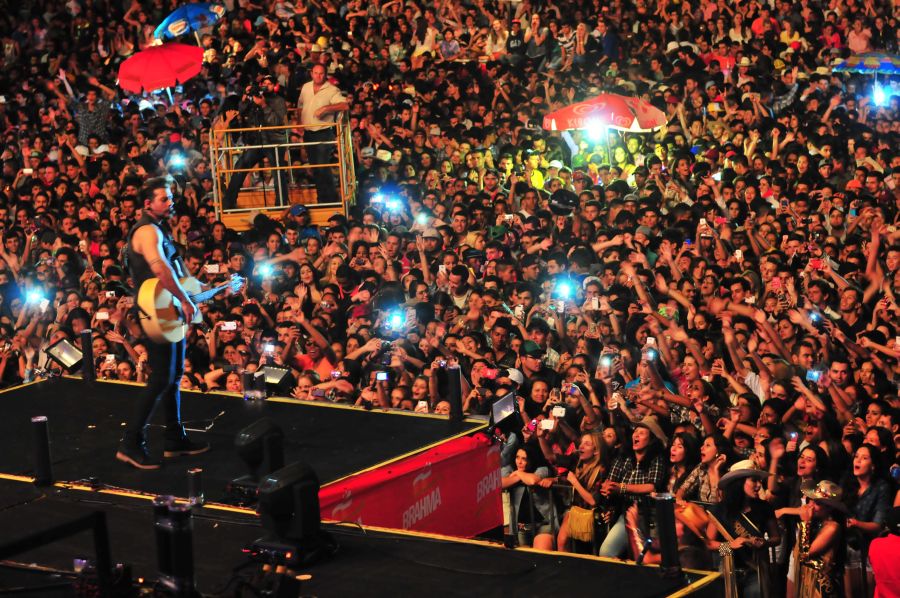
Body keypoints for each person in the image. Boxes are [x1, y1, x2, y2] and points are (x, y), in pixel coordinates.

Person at [115, 178, 210, 469]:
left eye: (170, 198)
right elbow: (160, 267)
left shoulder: (158, 228)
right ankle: (131, 443)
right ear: (148, 204)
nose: (171, 203)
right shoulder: (146, 231)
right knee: (160, 378)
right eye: (164, 199)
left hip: (165, 305)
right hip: (157, 307)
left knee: (175, 373)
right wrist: (185, 299)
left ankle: (174, 438)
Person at [221, 85, 290, 209]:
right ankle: (229, 202)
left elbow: (275, 121)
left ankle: (281, 203)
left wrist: (263, 105)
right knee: (240, 165)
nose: (265, 87)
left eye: (269, 84)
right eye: (264, 84)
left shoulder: (278, 101)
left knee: (278, 171)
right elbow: (241, 111)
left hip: (273, 141)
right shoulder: (253, 101)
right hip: (257, 141)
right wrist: (245, 98)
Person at [298, 64, 350, 204]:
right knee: (316, 168)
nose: (318, 76)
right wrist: (299, 125)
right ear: (311, 73)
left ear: (325, 74)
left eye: (321, 73)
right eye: (315, 73)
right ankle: (324, 198)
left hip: (323, 132)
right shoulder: (306, 87)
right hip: (308, 132)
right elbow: (300, 106)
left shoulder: (332, 90)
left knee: (321, 166)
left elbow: (344, 105)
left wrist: (327, 108)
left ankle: (328, 198)